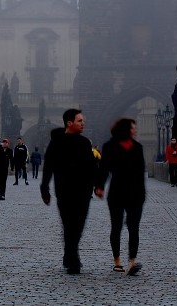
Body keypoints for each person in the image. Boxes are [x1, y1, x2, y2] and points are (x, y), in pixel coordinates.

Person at [41, 108, 100, 274]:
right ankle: (74, 260)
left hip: (83, 191)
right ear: (69, 123)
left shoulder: (85, 142)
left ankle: (69, 253)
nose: (83, 123)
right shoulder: (56, 142)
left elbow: (92, 166)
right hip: (64, 190)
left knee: (79, 225)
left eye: (83, 120)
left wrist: (98, 185)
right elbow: (48, 166)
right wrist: (44, 189)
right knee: (69, 225)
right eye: (80, 121)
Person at [95, 118, 146, 276]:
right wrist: (100, 186)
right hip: (117, 192)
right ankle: (117, 261)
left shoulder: (137, 147)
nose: (135, 130)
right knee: (116, 226)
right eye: (133, 128)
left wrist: (142, 194)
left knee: (134, 227)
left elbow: (141, 171)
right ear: (125, 129)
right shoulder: (109, 146)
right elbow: (104, 168)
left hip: (135, 193)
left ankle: (132, 261)